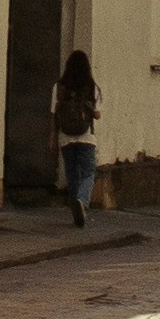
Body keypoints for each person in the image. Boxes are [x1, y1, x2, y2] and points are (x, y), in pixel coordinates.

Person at [53, 47, 101, 225]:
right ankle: (82, 200)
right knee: (88, 172)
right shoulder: (92, 87)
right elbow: (97, 114)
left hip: (65, 137)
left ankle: (76, 212)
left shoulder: (59, 86)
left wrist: (52, 137)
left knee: (71, 174)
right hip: (86, 137)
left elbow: (54, 113)